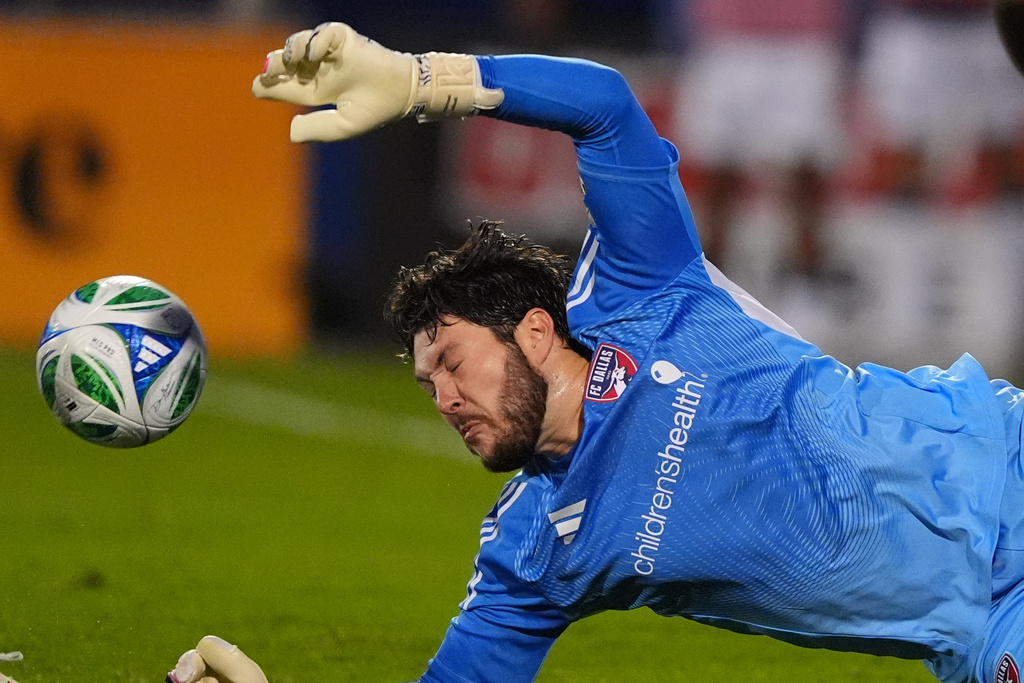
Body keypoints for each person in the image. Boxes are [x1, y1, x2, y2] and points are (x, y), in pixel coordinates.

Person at [169, 19, 1024, 683]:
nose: (444, 399)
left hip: (1007, 463)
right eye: (428, 385)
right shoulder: (535, 550)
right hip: (981, 630)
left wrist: (421, 81)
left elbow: (607, 107)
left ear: (535, 331)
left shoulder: (638, 292)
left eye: (454, 362)